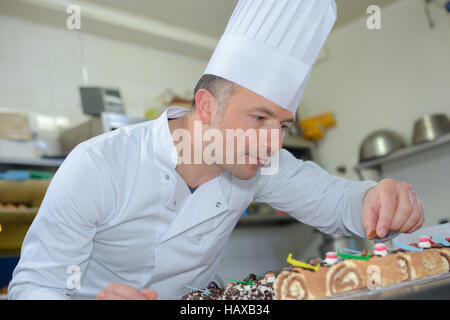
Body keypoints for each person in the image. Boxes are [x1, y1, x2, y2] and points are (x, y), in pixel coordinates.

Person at [9, 0, 424, 300]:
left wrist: (375, 198)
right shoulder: (97, 166)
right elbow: (35, 286)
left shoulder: (261, 163)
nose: (272, 143)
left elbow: (336, 201)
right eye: (259, 118)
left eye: (282, 125)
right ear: (206, 107)